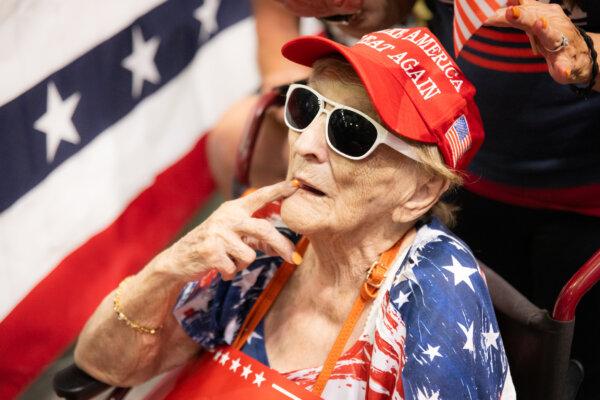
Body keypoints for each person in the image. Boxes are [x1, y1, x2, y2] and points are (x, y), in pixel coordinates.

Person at [74, 28, 516, 398]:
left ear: (420, 191)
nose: (304, 144)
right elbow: (102, 364)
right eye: (305, 109)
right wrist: (170, 267)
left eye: (350, 131)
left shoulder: (433, 300)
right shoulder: (263, 238)